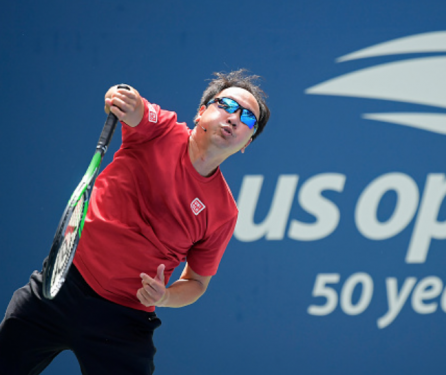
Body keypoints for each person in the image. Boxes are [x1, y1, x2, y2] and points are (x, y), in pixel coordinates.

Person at [0, 69, 270, 374]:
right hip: (60, 287)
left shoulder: (224, 212)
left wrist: (166, 296)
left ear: (247, 142)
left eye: (249, 119)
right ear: (201, 112)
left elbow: (197, 282)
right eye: (227, 106)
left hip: (124, 321)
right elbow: (136, 109)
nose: (235, 118)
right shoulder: (162, 129)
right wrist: (123, 97)